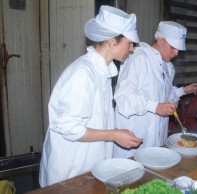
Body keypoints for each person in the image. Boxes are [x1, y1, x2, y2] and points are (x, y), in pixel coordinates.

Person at [39, 5, 143, 187]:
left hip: (88, 166)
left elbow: (97, 119)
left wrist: (118, 133)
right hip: (69, 171)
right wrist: (114, 135)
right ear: (112, 41)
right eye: (129, 43)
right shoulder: (83, 73)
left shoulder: (103, 71)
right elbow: (69, 126)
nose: (132, 49)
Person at [113, 21, 197, 158]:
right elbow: (123, 97)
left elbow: (163, 97)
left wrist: (183, 91)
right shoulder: (139, 59)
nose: (176, 53)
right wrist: (155, 107)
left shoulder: (168, 67)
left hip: (156, 140)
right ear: (160, 40)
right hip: (134, 142)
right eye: (173, 47)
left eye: (179, 49)